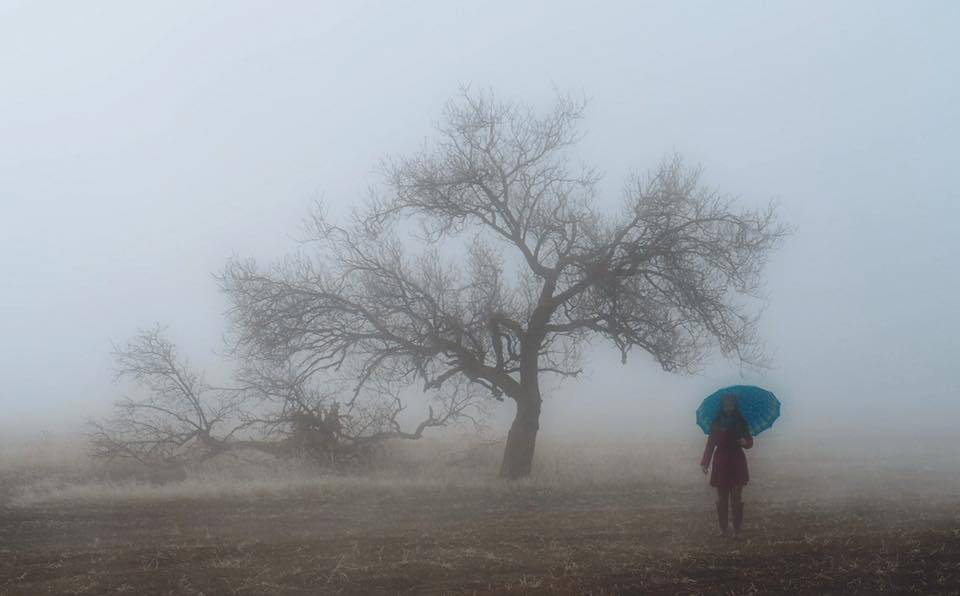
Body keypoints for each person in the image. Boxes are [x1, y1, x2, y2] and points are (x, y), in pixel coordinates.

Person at [701, 393, 754, 538]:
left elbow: (749, 441)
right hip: (721, 462)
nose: (729, 407)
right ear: (722, 405)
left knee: (736, 498)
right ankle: (723, 530)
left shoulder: (741, 422)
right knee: (722, 499)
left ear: (735, 406)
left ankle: (737, 531)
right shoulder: (716, 423)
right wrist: (705, 462)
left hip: (737, 462)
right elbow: (710, 444)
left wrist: (745, 443)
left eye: (731, 404)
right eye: (726, 404)